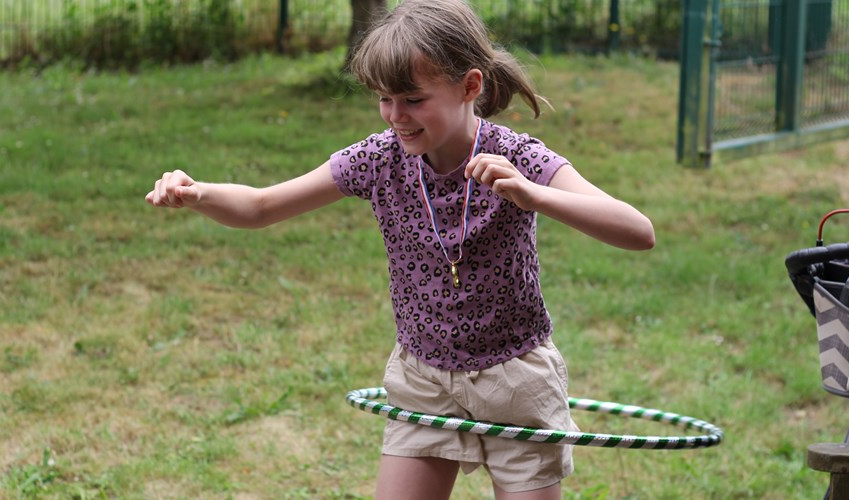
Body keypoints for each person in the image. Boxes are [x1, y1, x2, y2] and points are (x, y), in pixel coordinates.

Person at [146, 0, 654, 497]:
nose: (395, 116)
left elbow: (637, 230)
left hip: (515, 377)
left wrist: (532, 192)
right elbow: (261, 207)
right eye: (384, 99)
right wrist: (199, 194)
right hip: (423, 377)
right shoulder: (378, 160)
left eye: (412, 99)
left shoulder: (517, 157)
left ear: (469, 86)